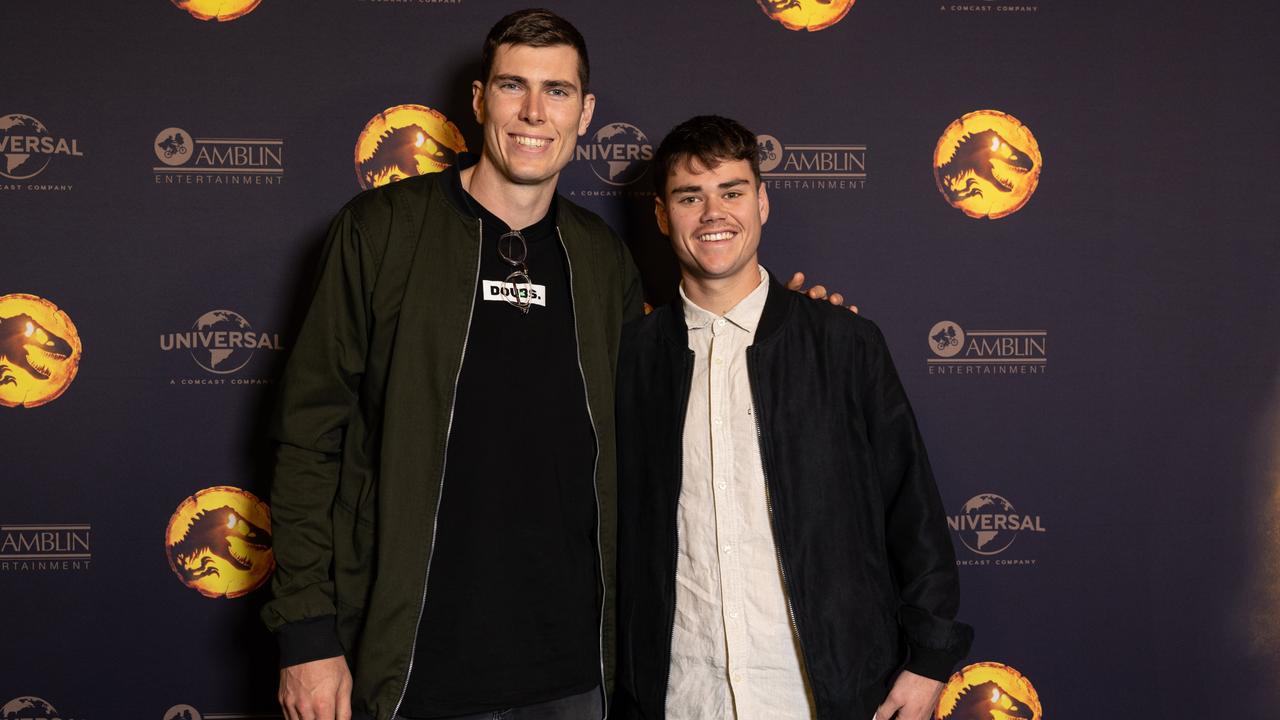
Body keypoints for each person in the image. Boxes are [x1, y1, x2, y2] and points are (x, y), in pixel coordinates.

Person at [263, 11, 845, 720]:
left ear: (585, 110)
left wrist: (794, 330)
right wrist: (307, 636)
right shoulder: (380, 231)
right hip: (413, 666)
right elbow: (307, 443)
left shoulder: (602, 259)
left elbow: (677, 388)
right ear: (480, 100)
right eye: (514, 86)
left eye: (558, 91)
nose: (535, 112)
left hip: (576, 675)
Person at [614, 116, 974, 720]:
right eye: (689, 197)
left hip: (822, 694)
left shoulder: (844, 342)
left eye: (731, 191)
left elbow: (912, 509)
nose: (713, 214)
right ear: (660, 214)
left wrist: (929, 660)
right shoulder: (628, 360)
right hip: (681, 695)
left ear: (762, 201)